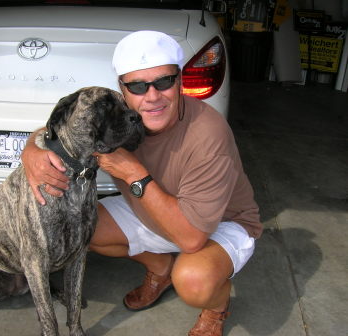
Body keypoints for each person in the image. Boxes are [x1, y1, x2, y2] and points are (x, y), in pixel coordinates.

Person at [21, 30, 262, 336]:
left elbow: (191, 240)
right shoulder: (118, 119)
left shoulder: (208, 133)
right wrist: (30, 150)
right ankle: (160, 268)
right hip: (151, 206)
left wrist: (133, 172)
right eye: (137, 86)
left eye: (164, 81)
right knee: (78, 228)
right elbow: (56, 128)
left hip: (217, 224)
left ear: (180, 82)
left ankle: (216, 305)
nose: (152, 96)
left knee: (192, 280)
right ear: (122, 90)